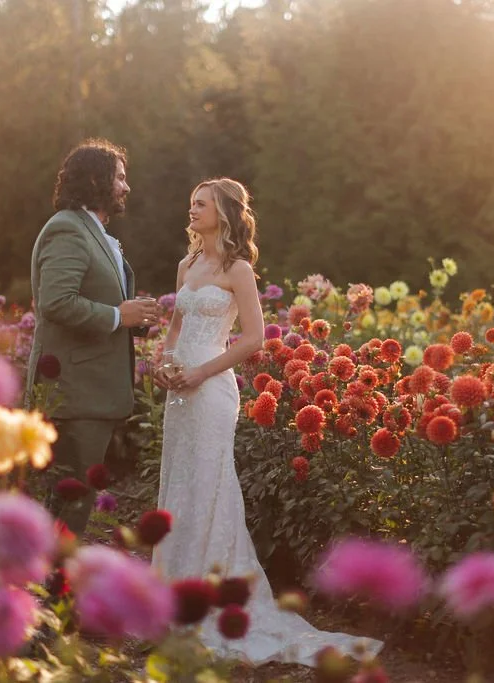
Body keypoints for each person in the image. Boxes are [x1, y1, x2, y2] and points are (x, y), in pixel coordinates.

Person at [152, 178, 382, 665]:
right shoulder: (186, 265)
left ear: (224, 213)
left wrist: (198, 371)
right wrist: (164, 362)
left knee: (211, 484)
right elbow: (175, 327)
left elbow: (253, 338)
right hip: (179, 391)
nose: (191, 209)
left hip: (212, 388)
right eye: (190, 202)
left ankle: (212, 600)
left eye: (201, 204)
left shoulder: (238, 269)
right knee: (179, 481)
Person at [26, 138, 159, 536]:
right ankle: (50, 587)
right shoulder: (68, 229)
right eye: (120, 177)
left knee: (71, 498)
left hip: (91, 392)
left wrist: (132, 317)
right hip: (73, 392)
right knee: (69, 499)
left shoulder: (93, 231)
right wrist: (119, 315)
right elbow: (56, 302)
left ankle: (50, 582)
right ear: (95, 179)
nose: (126, 187)